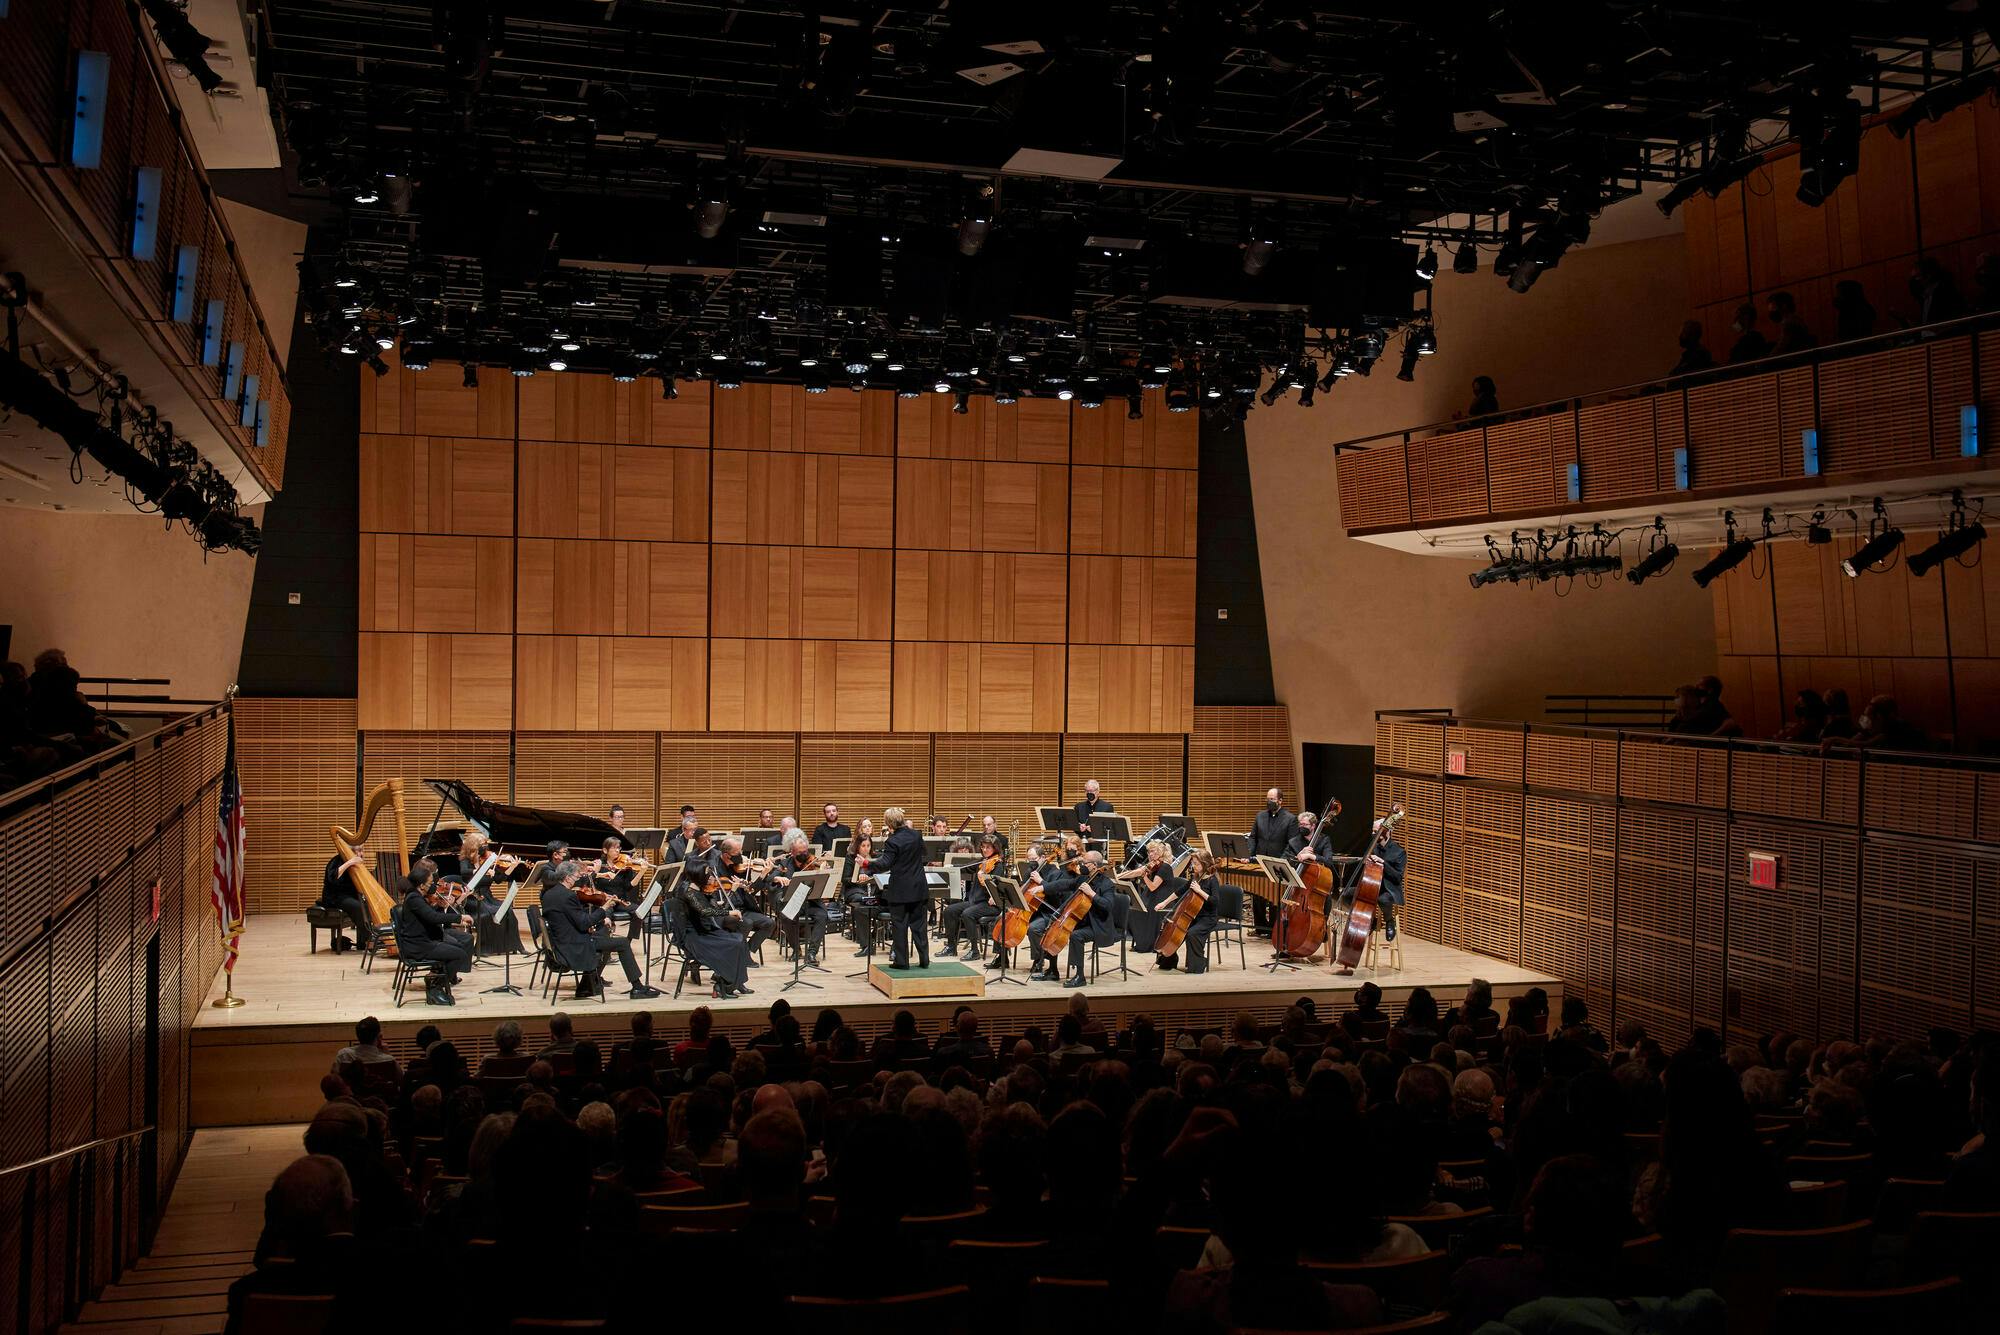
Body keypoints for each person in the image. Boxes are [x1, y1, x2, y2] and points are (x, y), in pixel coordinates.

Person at [542, 859, 658, 1000]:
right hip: (573, 947)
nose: (578, 880)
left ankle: (586, 987)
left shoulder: (548, 894)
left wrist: (591, 924)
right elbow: (584, 923)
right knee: (622, 943)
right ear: (567, 878)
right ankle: (637, 987)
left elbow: (570, 920)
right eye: (576, 877)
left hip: (560, 943)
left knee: (605, 937)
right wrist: (604, 909)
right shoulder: (568, 896)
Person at [395, 861, 470, 1005]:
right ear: (422, 885)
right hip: (418, 946)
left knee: (458, 949)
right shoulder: (414, 899)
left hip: (421, 942)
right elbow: (433, 918)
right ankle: (435, 989)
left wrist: (442, 907)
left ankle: (434, 979)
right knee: (459, 955)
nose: (433, 886)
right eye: (430, 883)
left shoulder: (415, 896)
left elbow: (430, 917)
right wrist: (460, 917)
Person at [676, 868, 756, 998]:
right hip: (694, 937)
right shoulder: (689, 892)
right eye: (708, 877)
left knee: (740, 939)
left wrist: (723, 897)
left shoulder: (701, 890)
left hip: (705, 931)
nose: (712, 880)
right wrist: (728, 912)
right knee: (734, 943)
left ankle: (737, 982)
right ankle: (722, 987)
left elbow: (714, 908)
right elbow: (705, 912)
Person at [868, 807, 930, 969]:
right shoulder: (916, 835)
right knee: (919, 925)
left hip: (900, 890)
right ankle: (924, 960)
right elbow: (924, 853)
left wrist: (866, 863)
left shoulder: (892, 841)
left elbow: (884, 864)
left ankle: (902, 962)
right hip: (918, 887)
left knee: (900, 926)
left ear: (888, 823)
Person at [1052, 851, 1118, 989]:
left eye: (1085, 862)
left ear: (1094, 865)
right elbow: (1065, 884)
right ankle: (1051, 970)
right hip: (1084, 921)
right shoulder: (1083, 879)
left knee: (1076, 935)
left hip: (1099, 926)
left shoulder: (1106, 884)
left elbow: (1108, 906)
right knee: (1055, 929)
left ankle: (1080, 976)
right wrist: (1043, 886)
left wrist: (1091, 894)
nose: (1081, 864)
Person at [762, 829, 827, 963]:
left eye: (805, 852)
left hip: (811, 902)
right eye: (800, 853)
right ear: (792, 852)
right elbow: (770, 879)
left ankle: (812, 952)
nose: (804, 855)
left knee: (822, 915)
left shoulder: (813, 862)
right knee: (786, 917)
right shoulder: (785, 864)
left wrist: (823, 871)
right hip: (794, 903)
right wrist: (778, 879)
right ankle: (796, 949)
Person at [940, 834, 1004, 960]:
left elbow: (996, 888)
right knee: (949, 911)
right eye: (983, 847)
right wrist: (952, 868)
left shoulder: (997, 866)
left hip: (990, 904)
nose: (985, 850)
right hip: (975, 902)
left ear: (995, 849)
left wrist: (983, 877)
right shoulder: (983, 862)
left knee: (967, 914)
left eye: (988, 847)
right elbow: (967, 868)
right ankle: (951, 947)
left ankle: (974, 951)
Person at [713, 835, 776, 959]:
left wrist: (763, 874)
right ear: (726, 855)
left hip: (744, 909)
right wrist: (733, 887)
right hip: (727, 911)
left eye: (741, 851)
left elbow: (751, 890)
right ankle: (740, 957)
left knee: (769, 923)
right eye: (737, 853)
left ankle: (745, 952)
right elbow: (717, 897)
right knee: (746, 923)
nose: (741, 855)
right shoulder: (715, 868)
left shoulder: (738, 867)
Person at [1248, 788, 1300, 936]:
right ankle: (1260, 927)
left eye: (1272, 799)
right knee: (1257, 895)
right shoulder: (1260, 816)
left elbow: (1292, 843)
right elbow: (1253, 837)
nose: (1269, 801)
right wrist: (1250, 855)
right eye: (1268, 799)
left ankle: (1273, 929)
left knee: (1275, 898)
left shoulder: (1290, 819)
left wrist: (1282, 860)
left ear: (1280, 801)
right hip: (1258, 861)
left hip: (1277, 863)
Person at [1160, 850, 1220, 975]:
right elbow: (1180, 891)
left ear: (1205, 864)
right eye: (1193, 863)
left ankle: (1198, 964)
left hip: (1208, 918)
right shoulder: (1196, 878)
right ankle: (1169, 961)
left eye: (1196, 864)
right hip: (1194, 916)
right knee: (1172, 930)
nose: (1193, 866)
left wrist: (1199, 891)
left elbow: (1215, 901)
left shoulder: (1212, 880)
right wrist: (1164, 903)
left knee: (1192, 933)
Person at [320, 841, 378, 950]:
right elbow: (332, 878)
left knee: (367, 904)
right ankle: (369, 939)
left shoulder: (358, 864)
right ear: (350, 852)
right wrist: (349, 862)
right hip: (334, 897)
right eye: (359, 850)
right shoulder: (336, 860)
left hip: (348, 897)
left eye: (362, 850)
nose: (361, 853)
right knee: (357, 906)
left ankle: (362, 942)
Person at [1824, 694, 1927, 752]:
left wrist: (1836, 739)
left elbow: (1864, 745)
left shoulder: (1897, 728)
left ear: (1879, 717)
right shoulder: (1871, 728)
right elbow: (1852, 742)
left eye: (1869, 716)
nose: (1865, 720)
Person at [1909, 255, 1967, 326]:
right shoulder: (1925, 296)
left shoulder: (1946, 293)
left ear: (1928, 275)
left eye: (1917, 277)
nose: (1914, 281)